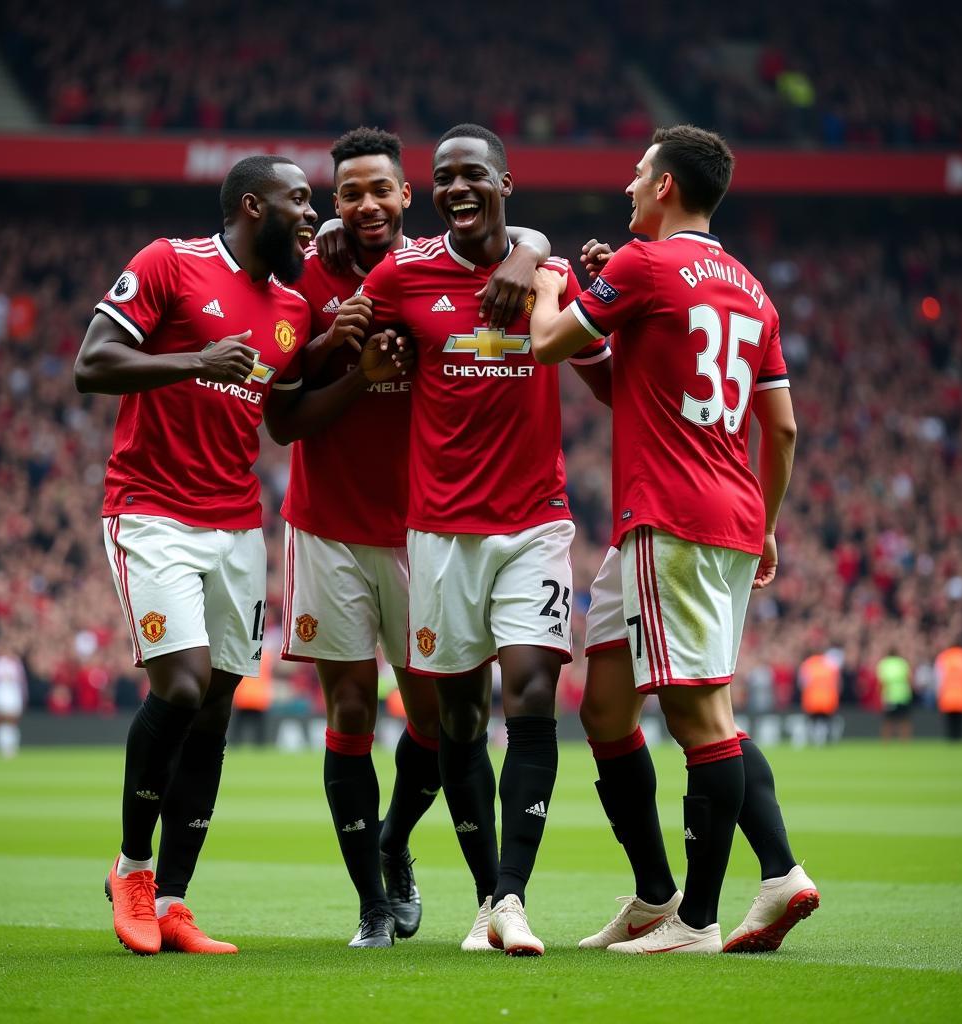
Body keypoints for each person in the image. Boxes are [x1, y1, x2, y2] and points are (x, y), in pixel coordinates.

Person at [74, 154, 409, 957]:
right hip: (151, 511)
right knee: (181, 685)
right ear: (252, 205)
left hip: (235, 523)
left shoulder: (291, 306)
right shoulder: (170, 262)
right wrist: (195, 359)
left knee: (219, 705)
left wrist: (352, 367)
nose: (312, 213)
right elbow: (93, 364)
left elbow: (288, 421)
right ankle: (132, 870)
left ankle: (178, 903)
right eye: (301, 201)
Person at [529, 125, 819, 954]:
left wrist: (552, 281)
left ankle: (698, 918)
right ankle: (663, 896)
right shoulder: (752, 291)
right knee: (611, 708)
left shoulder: (644, 264)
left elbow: (549, 341)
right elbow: (784, 429)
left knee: (701, 716)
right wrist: (764, 524)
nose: (626, 186)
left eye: (636, 173)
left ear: (664, 187)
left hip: (674, 516)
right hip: (718, 515)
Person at [267, 127, 557, 948]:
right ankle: (372, 905)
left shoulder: (441, 257)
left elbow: (515, 235)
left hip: (428, 531)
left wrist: (527, 250)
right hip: (328, 526)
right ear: (332, 205)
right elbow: (281, 415)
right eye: (349, 193)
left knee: (437, 724)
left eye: (380, 191)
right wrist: (349, 359)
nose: (366, 205)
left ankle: (398, 842)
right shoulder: (310, 279)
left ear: (405, 196)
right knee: (353, 709)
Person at [360, 124, 611, 956]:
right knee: (460, 718)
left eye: (473, 175)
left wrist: (596, 300)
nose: (456, 188)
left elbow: (606, 381)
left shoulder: (549, 276)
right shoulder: (403, 272)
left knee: (531, 697)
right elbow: (352, 325)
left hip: (534, 523)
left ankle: (512, 898)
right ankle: (480, 899)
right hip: (439, 535)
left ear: (507, 181)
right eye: (443, 178)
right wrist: (369, 341)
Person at [798, 650, 841, 745]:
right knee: (826, 722)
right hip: (828, 700)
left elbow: (802, 683)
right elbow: (837, 684)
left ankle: (814, 740)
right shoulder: (831, 663)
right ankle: (827, 740)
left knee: (813, 722)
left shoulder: (807, 664)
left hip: (812, 700)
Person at [876, 646, 913, 741]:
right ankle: (905, 742)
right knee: (904, 720)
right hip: (903, 695)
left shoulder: (884, 664)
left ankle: (886, 742)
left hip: (889, 696)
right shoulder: (903, 663)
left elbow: (880, 682)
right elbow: (910, 679)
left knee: (888, 721)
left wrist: (880, 694)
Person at [935, 643, 962, 741]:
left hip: (947, 693)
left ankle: (951, 737)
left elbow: (938, 677)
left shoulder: (944, 656)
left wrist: (938, 692)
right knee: (960, 719)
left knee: (950, 719)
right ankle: (959, 736)